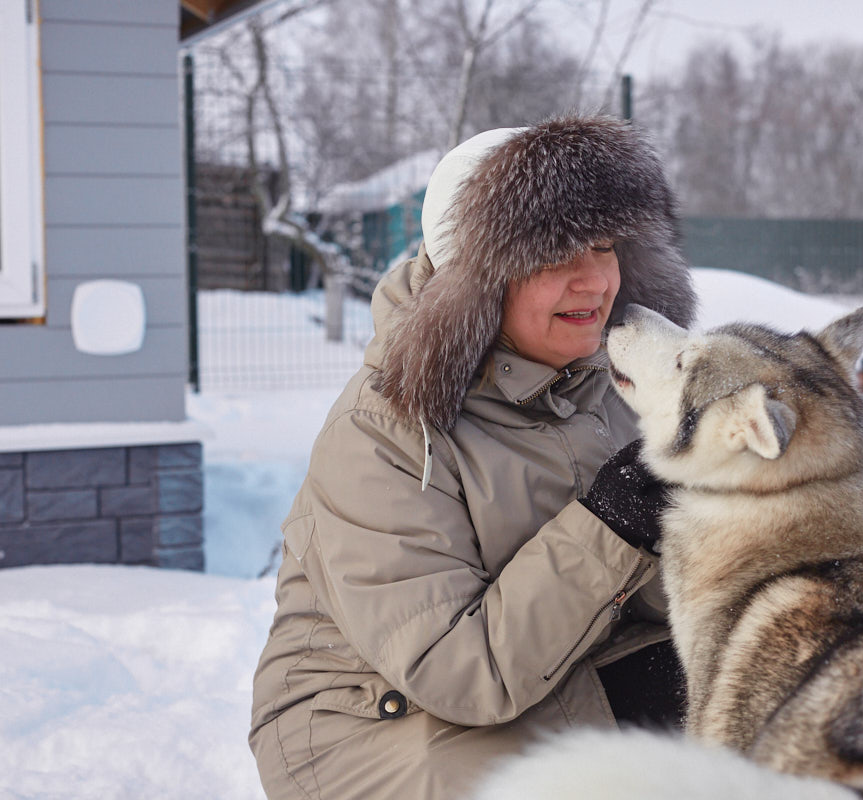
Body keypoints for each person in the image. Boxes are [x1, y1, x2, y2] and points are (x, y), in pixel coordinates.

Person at [249, 114, 697, 799]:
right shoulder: (385, 430)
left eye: (604, 247)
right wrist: (613, 524)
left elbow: (664, 602)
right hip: (375, 725)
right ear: (477, 283)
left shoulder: (615, 381)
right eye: (553, 258)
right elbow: (460, 672)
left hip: (552, 667)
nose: (593, 282)